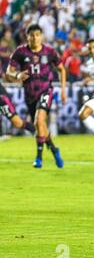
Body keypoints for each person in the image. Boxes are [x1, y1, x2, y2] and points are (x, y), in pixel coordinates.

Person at [6, 24, 67, 168]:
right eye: (32, 35)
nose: (35, 38)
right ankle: (53, 148)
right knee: (40, 125)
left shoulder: (49, 51)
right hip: (30, 95)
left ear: (42, 36)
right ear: (27, 37)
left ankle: (39, 158)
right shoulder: (20, 52)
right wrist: (17, 75)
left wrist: (63, 90)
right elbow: (9, 71)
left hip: (46, 90)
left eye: (37, 35)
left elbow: (62, 69)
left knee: (39, 120)